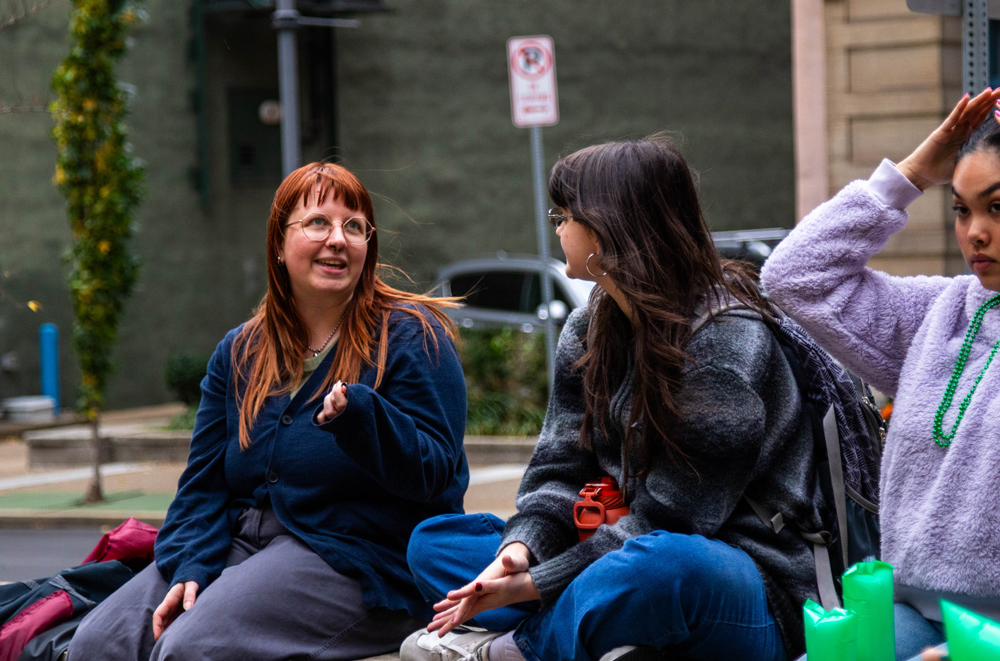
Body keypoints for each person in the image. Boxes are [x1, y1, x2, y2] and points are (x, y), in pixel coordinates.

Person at [400, 135, 829, 661]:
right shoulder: (588, 328)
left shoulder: (725, 338)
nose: (557, 227)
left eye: (565, 214)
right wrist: (520, 552)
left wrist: (533, 586)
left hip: (748, 583)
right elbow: (558, 471)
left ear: (609, 226)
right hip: (609, 546)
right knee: (434, 543)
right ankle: (605, 630)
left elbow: (670, 522)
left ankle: (515, 649)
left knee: (659, 567)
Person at [67, 162, 469, 660]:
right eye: (318, 222)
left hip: (357, 559)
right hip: (243, 543)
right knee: (97, 642)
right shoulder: (240, 351)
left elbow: (436, 475)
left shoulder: (411, 336)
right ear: (279, 244)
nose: (338, 239)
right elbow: (203, 484)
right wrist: (191, 563)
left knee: (192, 648)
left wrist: (362, 418)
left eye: (354, 226)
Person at [760, 87, 1000, 661]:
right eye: (962, 209)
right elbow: (795, 277)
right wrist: (914, 173)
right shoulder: (941, 313)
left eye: (999, 207)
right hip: (911, 615)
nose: (976, 233)